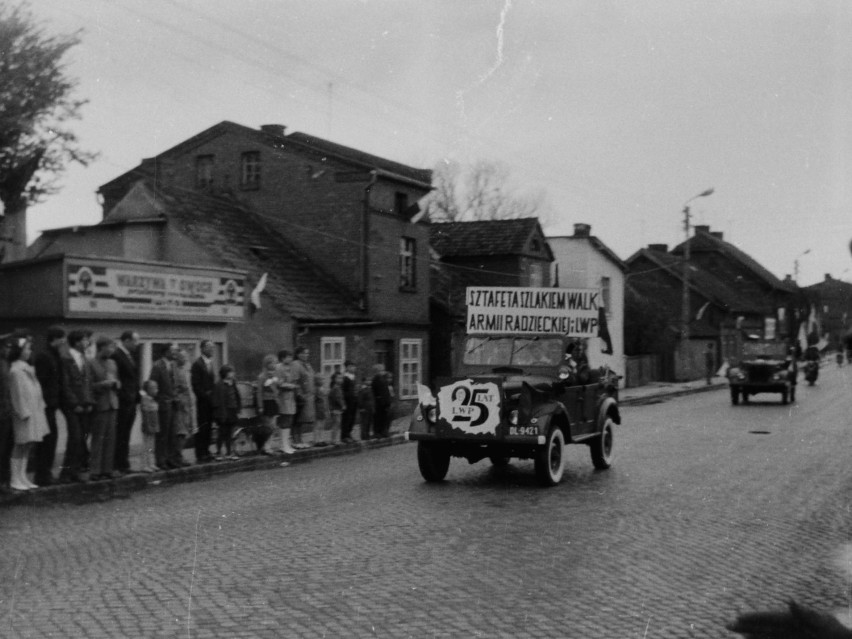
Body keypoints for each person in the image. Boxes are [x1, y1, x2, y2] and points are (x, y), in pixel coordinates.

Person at [8, 335, 49, 491]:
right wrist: (23, 412)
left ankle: (22, 476)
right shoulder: (16, 371)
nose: (29, 351)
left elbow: (36, 391)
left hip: (34, 411)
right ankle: (15, 478)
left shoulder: (26, 368)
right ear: (19, 351)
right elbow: (17, 394)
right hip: (24, 414)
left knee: (29, 445)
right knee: (20, 444)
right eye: (26, 348)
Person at [33, 325, 67, 486]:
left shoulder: (54, 355)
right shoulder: (44, 357)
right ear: (54, 339)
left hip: (52, 404)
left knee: (51, 439)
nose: (64, 341)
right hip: (45, 405)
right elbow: (42, 382)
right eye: (61, 338)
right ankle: (42, 474)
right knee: (46, 441)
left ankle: (46, 473)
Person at [61, 329, 94, 483]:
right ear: (77, 342)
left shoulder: (85, 359)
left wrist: (89, 402)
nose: (87, 343)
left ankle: (77, 470)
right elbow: (66, 384)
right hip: (73, 406)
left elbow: (88, 384)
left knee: (82, 438)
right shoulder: (66, 359)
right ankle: (67, 472)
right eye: (84, 340)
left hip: (85, 405)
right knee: (74, 437)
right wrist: (74, 403)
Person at [88, 336, 121, 480]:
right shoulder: (91, 363)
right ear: (102, 347)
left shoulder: (113, 363)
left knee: (110, 438)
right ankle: (95, 470)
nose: (112, 350)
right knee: (98, 438)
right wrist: (103, 384)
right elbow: (88, 386)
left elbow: (118, 381)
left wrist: (116, 384)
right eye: (110, 347)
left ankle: (107, 469)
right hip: (100, 405)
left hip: (113, 403)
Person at [149, 343, 183, 469]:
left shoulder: (173, 365)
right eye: (173, 351)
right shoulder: (158, 366)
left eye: (176, 351)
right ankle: (160, 460)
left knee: (172, 433)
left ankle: (170, 459)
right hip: (163, 404)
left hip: (173, 404)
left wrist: (176, 396)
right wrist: (160, 399)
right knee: (163, 434)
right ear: (166, 352)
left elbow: (174, 384)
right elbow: (152, 385)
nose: (175, 353)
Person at [111, 330, 140, 475]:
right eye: (135, 341)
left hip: (131, 401)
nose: (137, 344)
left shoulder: (129, 356)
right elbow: (118, 379)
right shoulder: (117, 355)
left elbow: (133, 378)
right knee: (121, 433)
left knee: (126, 433)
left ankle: (124, 463)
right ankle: (118, 463)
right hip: (124, 402)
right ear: (127, 341)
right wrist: (125, 396)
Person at [191, 340, 216, 463]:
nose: (212, 349)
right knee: (202, 427)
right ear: (202, 349)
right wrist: (205, 396)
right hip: (202, 402)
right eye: (209, 347)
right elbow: (196, 385)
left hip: (210, 402)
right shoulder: (197, 364)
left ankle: (206, 451)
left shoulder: (210, 363)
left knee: (208, 427)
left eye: (213, 347)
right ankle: (200, 453)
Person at [212, 365, 240, 460]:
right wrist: (218, 414)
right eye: (231, 372)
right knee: (222, 432)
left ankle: (229, 452)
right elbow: (216, 401)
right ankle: (219, 452)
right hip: (223, 411)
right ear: (225, 373)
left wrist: (238, 408)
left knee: (230, 432)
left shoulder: (233, 383)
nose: (233, 374)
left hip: (232, 411)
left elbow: (236, 396)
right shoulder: (219, 385)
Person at [291, 346, 316, 449]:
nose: (306, 355)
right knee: (297, 419)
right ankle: (295, 440)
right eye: (304, 353)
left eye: (307, 353)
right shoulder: (296, 365)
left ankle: (300, 439)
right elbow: (295, 381)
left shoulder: (307, 365)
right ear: (298, 354)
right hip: (300, 396)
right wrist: (299, 394)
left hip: (308, 396)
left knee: (302, 419)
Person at [255, 354, 280, 455]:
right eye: (273, 363)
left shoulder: (275, 376)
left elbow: (278, 389)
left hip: (273, 402)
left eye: (275, 362)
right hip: (266, 402)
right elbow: (259, 392)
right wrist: (260, 406)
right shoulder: (262, 376)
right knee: (267, 426)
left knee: (273, 425)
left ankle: (269, 445)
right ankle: (265, 446)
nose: (275, 365)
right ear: (267, 364)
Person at [172, 349, 194, 463]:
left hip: (188, 404)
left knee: (186, 430)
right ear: (177, 358)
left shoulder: (186, 369)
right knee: (180, 431)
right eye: (182, 357)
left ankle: (179, 454)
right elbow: (174, 387)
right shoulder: (174, 370)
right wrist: (178, 398)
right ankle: (177, 455)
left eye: (186, 357)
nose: (185, 359)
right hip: (179, 405)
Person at [274, 350, 297, 454]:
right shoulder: (279, 368)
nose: (290, 359)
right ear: (282, 358)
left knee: (289, 420)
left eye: (291, 357)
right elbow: (279, 383)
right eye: (288, 357)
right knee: (285, 420)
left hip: (290, 397)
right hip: (283, 397)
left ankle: (286, 443)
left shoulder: (290, 368)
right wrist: (291, 386)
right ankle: (283, 445)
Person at [0, 336, 13, 491]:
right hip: (2, 412)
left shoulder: (5, 364)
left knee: (5, 448)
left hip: (6, 412)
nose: (7, 350)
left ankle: (4, 480)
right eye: (5, 347)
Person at [139, 379, 160, 473]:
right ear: (147, 389)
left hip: (154, 425)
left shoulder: (153, 400)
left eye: (156, 388)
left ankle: (151, 463)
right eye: (153, 388)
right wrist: (148, 426)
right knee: (146, 446)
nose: (156, 390)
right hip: (148, 426)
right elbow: (146, 414)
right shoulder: (145, 399)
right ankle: (144, 465)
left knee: (152, 446)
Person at [371, 364, 392, 438]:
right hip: (379, 402)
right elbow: (379, 392)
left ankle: (383, 431)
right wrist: (382, 400)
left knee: (384, 418)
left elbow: (386, 392)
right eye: (382, 370)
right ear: (378, 371)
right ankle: (377, 432)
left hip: (383, 402)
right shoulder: (376, 379)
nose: (384, 372)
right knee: (378, 418)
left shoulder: (382, 379)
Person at [340, 360, 358, 443]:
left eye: (354, 366)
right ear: (347, 367)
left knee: (352, 418)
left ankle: (349, 434)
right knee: (346, 418)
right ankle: (344, 435)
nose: (353, 368)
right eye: (351, 366)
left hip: (353, 401)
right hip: (348, 401)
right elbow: (343, 391)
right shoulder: (345, 378)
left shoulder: (353, 377)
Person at [327, 371, 345, 445]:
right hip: (335, 409)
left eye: (341, 378)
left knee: (336, 424)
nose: (341, 380)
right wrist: (343, 405)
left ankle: (334, 439)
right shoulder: (336, 388)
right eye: (339, 378)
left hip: (336, 409)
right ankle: (334, 440)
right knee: (336, 424)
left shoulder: (336, 387)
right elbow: (338, 398)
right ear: (335, 379)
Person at [313, 372, 330, 446]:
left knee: (322, 425)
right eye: (320, 379)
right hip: (318, 409)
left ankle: (321, 439)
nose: (322, 381)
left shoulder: (323, 388)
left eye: (323, 379)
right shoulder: (316, 389)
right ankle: (316, 440)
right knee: (317, 425)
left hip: (323, 409)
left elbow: (325, 399)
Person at [357, 376, 374, 441]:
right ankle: (363, 435)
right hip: (364, 408)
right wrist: (361, 407)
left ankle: (367, 434)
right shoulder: (362, 390)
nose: (369, 382)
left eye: (370, 380)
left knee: (368, 422)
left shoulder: (369, 389)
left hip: (369, 408)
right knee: (364, 422)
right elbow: (360, 399)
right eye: (367, 380)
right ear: (364, 381)